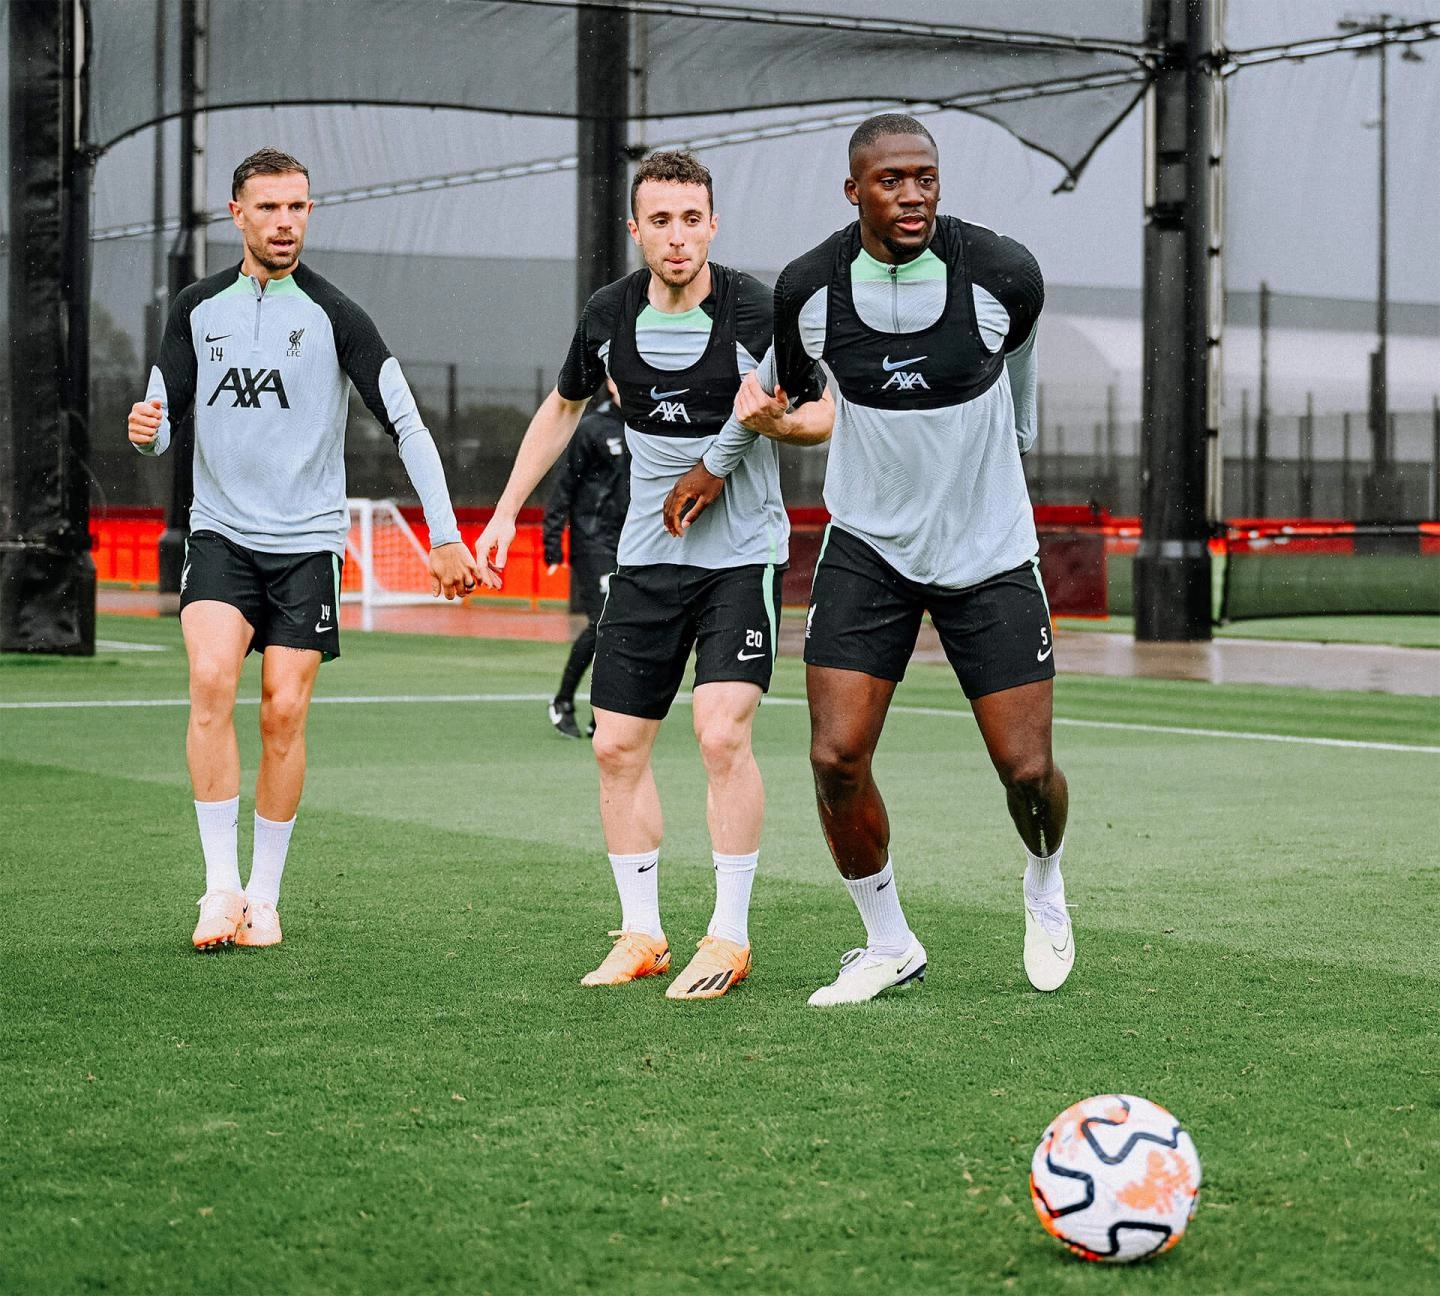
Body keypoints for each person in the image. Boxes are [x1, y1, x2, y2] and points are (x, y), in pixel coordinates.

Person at [665, 113, 1072, 1006]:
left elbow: (1022, 360)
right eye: (891, 180)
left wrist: (1022, 445)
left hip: (989, 553)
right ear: (855, 192)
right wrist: (711, 465)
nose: (914, 193)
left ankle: (1045, 881)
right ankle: (888, 941)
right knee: (836, 757)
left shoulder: (1005, 273)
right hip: (870, 551)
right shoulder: (810, 289)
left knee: (1027, 772)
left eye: (925, 176)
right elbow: (771, 389)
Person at [474, 150, 830, 1000]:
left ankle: (730, 936)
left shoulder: (756, 309)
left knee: (719, 731)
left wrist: (771, 426)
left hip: (741, 559)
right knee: (615, 745)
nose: (678, 237)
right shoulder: (606, 314)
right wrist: (501, 513)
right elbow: (562, 407)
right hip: (646, 559)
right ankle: (643, 933)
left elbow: (821, 415)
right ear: (636, 229)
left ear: (714, 224)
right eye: (660, 221)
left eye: (692, 219)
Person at [127, 147, 480, 951]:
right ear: (237, 213)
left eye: (299, 208)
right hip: (220, 533)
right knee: (211, 682)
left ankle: (264, 896)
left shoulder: (336, 313)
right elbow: (159, 420)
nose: (286, 222)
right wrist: (148, 435)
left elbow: (407, 422)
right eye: (270, 208)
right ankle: (219, 891)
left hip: (305, 546)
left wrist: (446, 535)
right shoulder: (195, 307)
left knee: (283, 713)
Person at [542, 379, 628, 739]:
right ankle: (563, 701)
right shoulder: (592, 427)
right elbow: (564, 485)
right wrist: (552, 539)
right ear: (610, 381)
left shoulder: (648, 426)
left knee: (627, 629)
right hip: (593, 540)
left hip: (633, 543)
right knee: (602, 622)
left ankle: (606, 713)